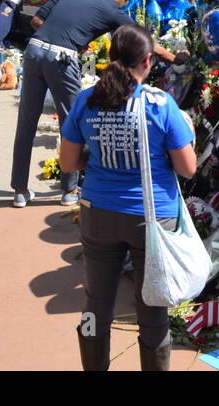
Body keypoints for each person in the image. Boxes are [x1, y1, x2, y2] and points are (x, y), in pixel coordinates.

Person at [59, 24, 197, 371]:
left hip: (97, 213)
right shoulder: (159, 104)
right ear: (149, 60)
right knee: (152, 305)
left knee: (96, 301)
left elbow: (68, 163)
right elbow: (188, 168)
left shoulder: (85, 100)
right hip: (151, 219)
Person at [11, 0, 186, 208]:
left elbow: (35, 20)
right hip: (62, 60)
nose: (124, 4)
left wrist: (67, 37)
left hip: (34, 51)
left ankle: (20, 192)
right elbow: (141, 42)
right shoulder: (111, 9)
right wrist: (175, 58)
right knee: (70, 124)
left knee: (26, 123)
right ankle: (69, 190)